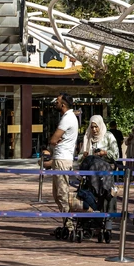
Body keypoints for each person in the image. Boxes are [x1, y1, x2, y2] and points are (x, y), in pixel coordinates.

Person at [43, 94, 80, 235]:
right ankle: (66, 223)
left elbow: (54, 139)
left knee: (62, 193)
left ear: (63, 104)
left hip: (62, 160)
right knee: (57, 194)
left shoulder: (67, 119)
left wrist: (54, 142)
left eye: (57, 102)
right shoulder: (69, 118)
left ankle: (69, 226)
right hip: (61, 159)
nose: (55, 104)